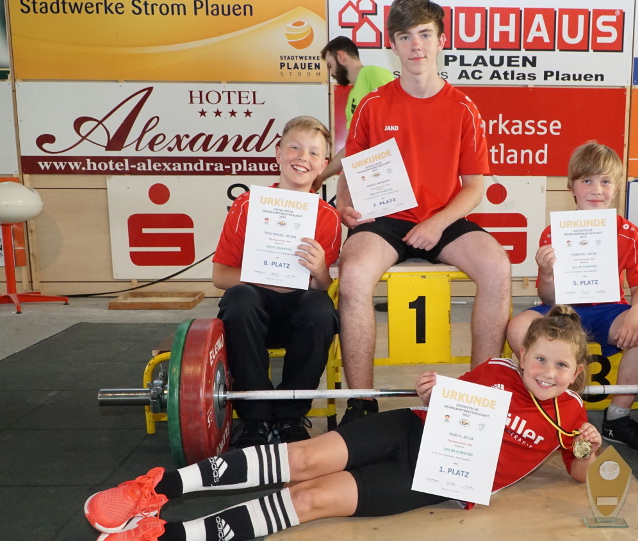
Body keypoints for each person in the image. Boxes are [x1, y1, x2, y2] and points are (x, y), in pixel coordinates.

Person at [84, 305, 602, 541]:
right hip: (410, 429)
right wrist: (434, 388)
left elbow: (579, 474)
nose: (548, 371)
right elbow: (452, 401)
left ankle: (163, 537)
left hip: (433, 479)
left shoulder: (572, 415)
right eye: (540, 358)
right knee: (306, 456)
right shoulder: (496, 370)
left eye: (561, 365)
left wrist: (588, 447)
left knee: (311, 500)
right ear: (523, 355)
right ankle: (155, 489)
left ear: (577, 372)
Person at [335, 0, 511, 423]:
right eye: (405, 37)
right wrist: (343, 203)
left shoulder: (463, 108)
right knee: (353, 275)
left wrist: (437, 222)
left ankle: (480, 395)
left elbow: (475, 186)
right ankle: (361, 403)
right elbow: (350, 169)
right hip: (386, 221)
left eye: (425, 34)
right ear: (392, 45)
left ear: (441, 40)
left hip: (444, 218)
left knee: (498, 268)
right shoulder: (373, 105)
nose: (416, 45)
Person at [506, 142, 638, 454]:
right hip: (563, 310)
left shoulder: (629, 233)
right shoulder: (554, 233)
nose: (596, 190)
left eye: (605, 181)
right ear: (572, 187)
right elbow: (546, 296)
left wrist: (637, 313)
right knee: (518, 326)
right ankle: (545, 407)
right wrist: (546, 272)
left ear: (616, 188)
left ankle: (618, 417)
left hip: (609, 310)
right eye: (587, 180)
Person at [212, 116, 341, 447]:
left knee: (321, 308)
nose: (302, 157)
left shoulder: (328, 217)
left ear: (323, 165)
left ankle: (289, 416)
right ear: (278, 153)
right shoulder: (246, 205)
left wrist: (320, 271)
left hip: (299, 315)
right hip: (252, 316)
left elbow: (322, 286)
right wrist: (266, 278)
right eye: (294, 148)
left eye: (313, 153)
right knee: (240, 299)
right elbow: (220, 276)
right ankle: (255, 418)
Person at [312, 36, 394, 192]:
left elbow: (400, 115)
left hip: (388, 171)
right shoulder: (352, 98)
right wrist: (321, 177)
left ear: (341, 56)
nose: (331, 73)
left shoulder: (373, 73)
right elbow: (351, 146)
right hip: (371, 177)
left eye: (330, 65)